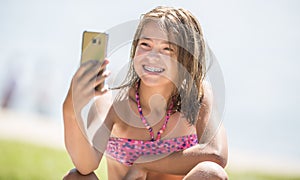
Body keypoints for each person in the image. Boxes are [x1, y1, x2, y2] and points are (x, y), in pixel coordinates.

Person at [63, 6, 228, 180]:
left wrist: (143, 163)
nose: (152, 56)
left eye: (167, 49)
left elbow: (216, 154)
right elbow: (85, 165)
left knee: (211, 173)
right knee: (76, 177)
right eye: (145, 45)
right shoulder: (112, 102)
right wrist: (70, 109)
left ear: (185, 58)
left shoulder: (198, 96)